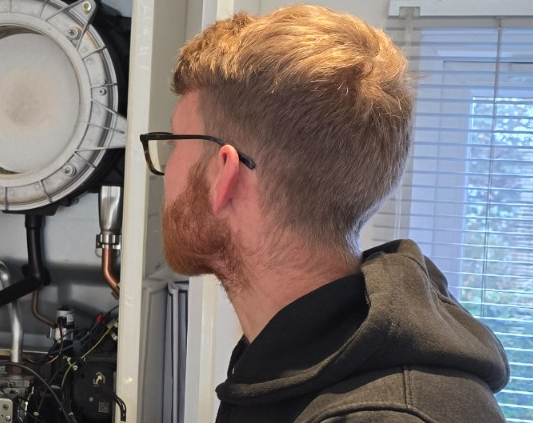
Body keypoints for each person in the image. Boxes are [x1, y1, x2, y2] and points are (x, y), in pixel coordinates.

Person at [141, 5, 510, 422]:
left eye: (175, 143)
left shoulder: (382, 416)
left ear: (222, 174)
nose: (163, 169)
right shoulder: (291, 359)